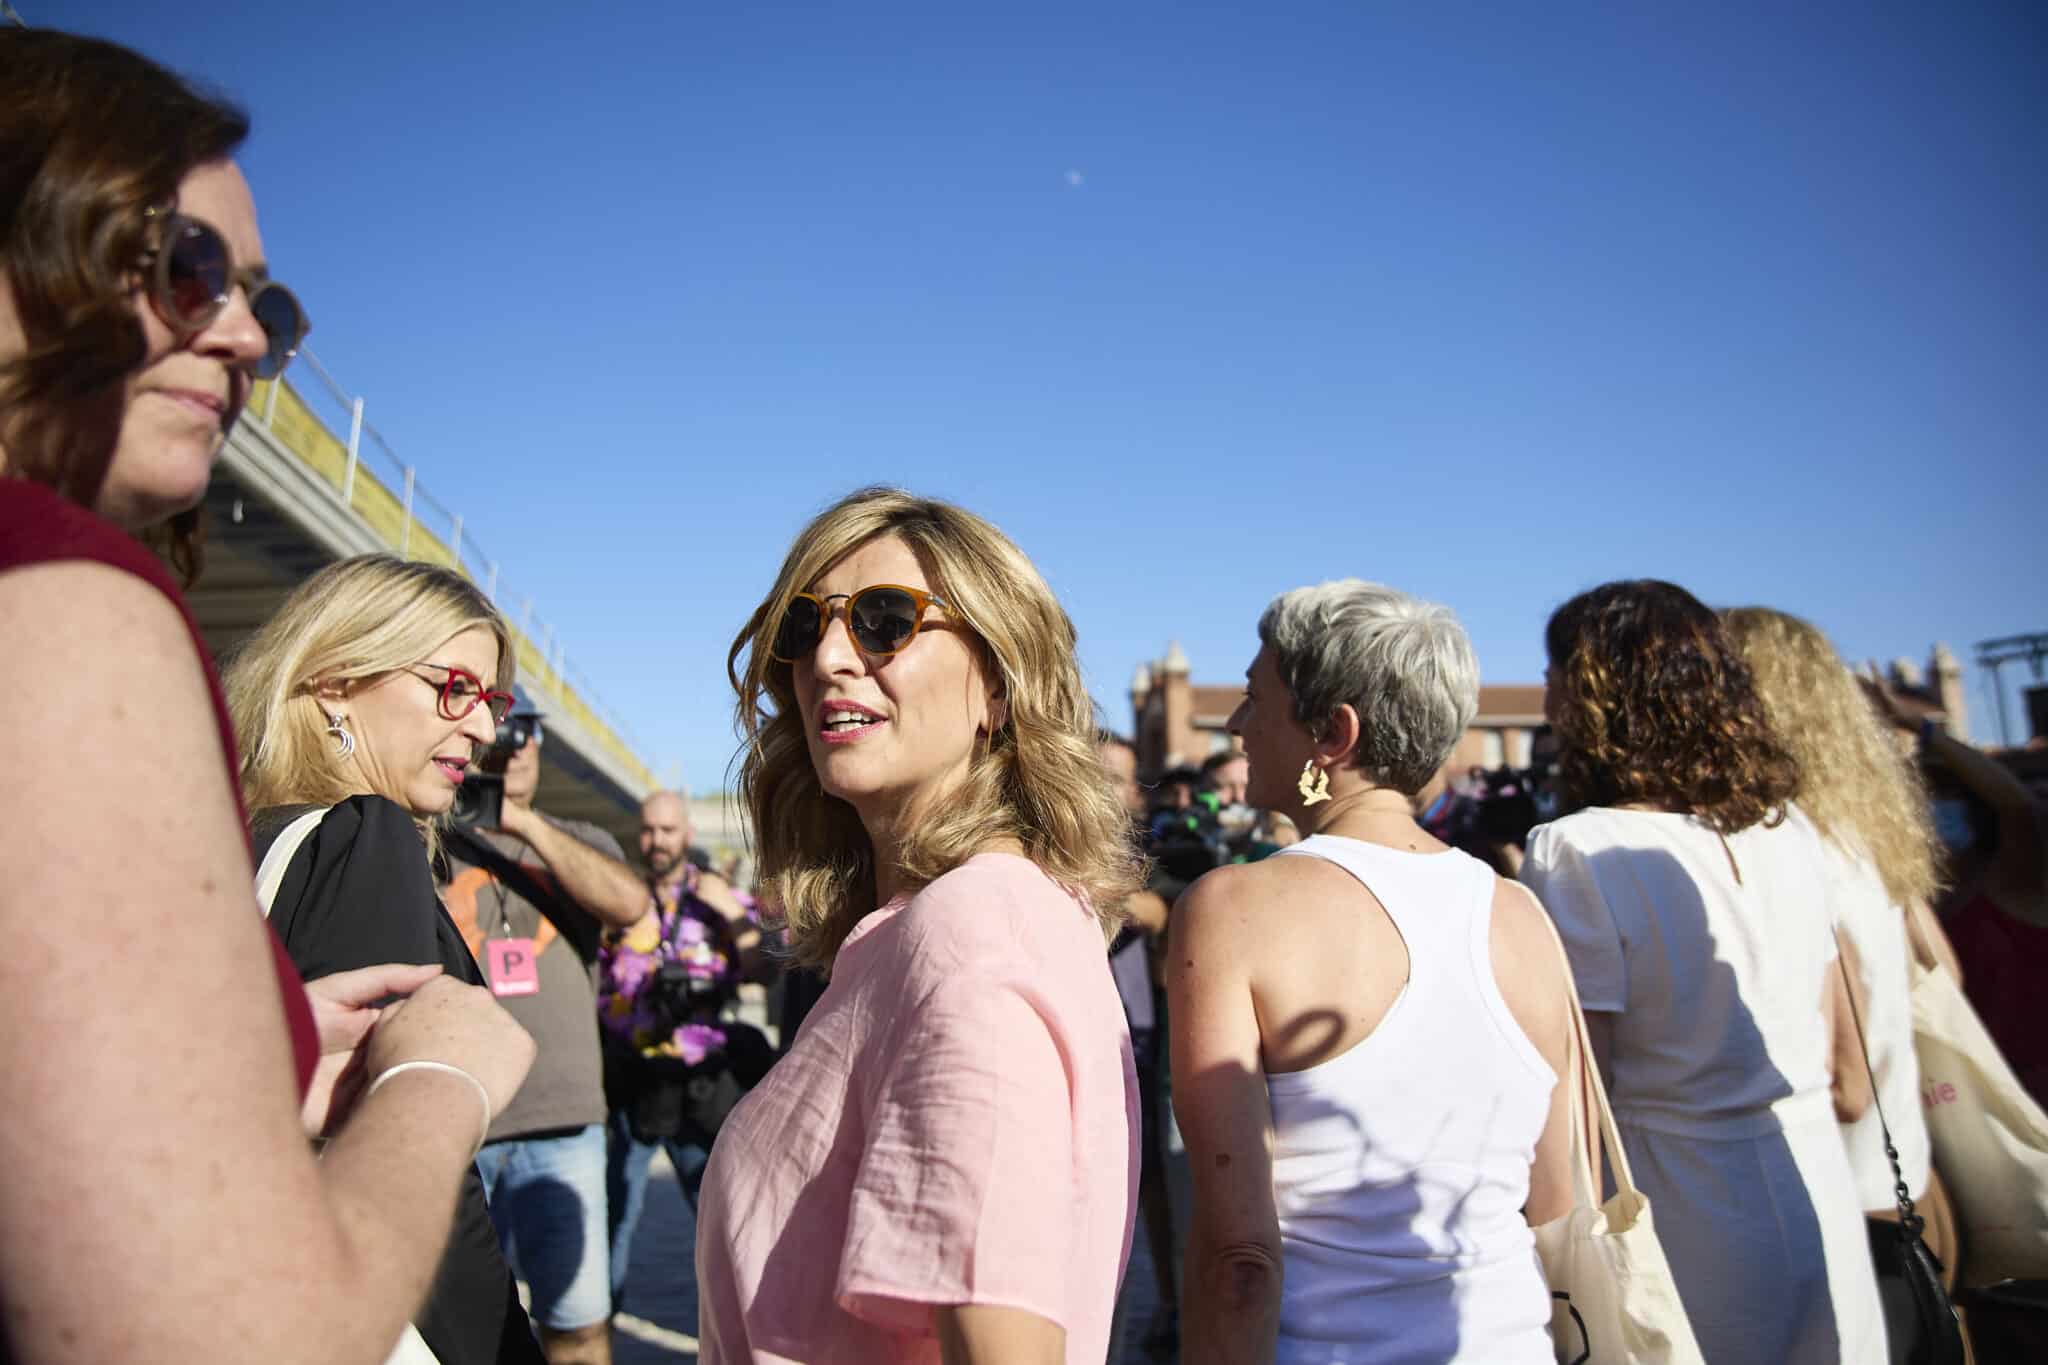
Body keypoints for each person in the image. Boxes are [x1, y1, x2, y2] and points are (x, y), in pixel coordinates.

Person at [0, 27, 533, 1363]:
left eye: (269, 308)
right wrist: (438, 1071)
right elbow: (225, 1330)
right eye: (182, 266)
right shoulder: (65, 599)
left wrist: (283, 1036)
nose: (242, 336)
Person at [697, 486, 1141, 1363]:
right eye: (802, 626)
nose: (827, 657)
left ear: (1001, 688)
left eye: (885, 620)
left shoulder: (972, 932)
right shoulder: (944, 927)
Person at [1171, 579, 1576, 1365]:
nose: (1237, 723)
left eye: (1258, 697)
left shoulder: (1233, 910)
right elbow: (1553, 1201)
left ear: (1333, 731)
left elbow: (1239, 1258)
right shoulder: (1523, 915)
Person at [1521, 580, 1885, 1364]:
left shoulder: (1577, 848)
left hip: (1685, 1210)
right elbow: (1837, 1053)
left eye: (1557, 671)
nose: (1546, 693)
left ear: (1595, 693)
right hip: (1814, 1186)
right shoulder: (1790, 833)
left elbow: (1586, 1102)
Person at [225, 553, 548, 1365]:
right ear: (336, 678)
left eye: (491, 700)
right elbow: (412, 1170)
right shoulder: (361, 839)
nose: (482, 728)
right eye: (455, 688)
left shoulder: (234, 840)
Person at [1725, 606, 1971, 1348]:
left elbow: (1845, 1084)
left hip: (1850, 1219)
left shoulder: (1785, 852)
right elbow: (1946, 982)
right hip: (1916, 1187)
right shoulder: (1866, 837)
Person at [441, 700, 651, 1365]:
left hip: (564, 1123)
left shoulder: (578, 839)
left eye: (529, 730)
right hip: (459, 1129)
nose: (516, 743)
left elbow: (630, 904)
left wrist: (522, 823)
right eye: (504, 725)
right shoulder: (428, 838)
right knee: (454, 1335)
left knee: (578, 1326)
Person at [600, 788, 766, 1317]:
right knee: (613, 1221)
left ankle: (729, 1337)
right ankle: (595, 1337)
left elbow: (762, 968)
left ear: (687, 835)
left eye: (668, 831)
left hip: (701, 1085)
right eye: (648, 830)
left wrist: (724, 908)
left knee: (717, 1224)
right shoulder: (619, 896)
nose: (656, 841)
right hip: (633, 1081)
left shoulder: (716, 898)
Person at [1866, 671, 2048, 1106]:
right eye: (1924, 793)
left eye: (1947, 792)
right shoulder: (1910, 892)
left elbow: (2016, 803)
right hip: (1972, 1096)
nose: (1933, 805)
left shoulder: (2013, 877)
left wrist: (1922, 728)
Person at [1098, 732, 1182, 1357]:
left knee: (1150, 1168)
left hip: (1139, 1028)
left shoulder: (1157, 844)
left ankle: (1173, 1304)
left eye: (1119, 777)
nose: (1108, 788)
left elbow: (1162, 909)